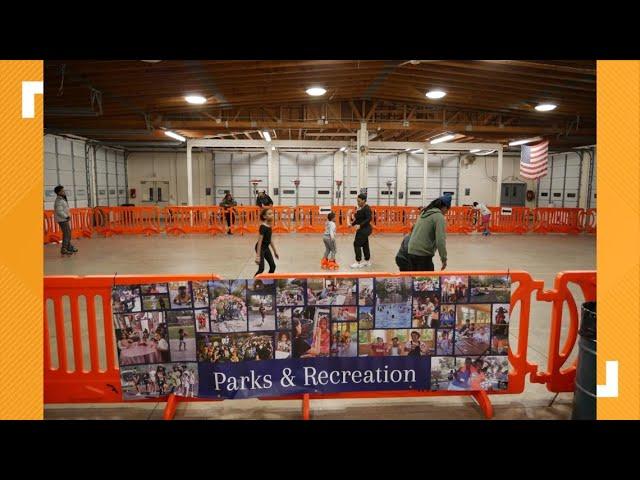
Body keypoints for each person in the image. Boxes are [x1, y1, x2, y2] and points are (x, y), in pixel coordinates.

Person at [407, 195, 451, 272]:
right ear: (444, 207)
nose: (446, 212)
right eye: (447, 210)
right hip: (423, 254)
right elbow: (440, 240)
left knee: (415, 279)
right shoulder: (438, 216)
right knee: (427, 280)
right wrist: (444, 259)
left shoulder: (424, 212)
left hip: (411, 251)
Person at [350, 193, 372, 269]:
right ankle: (367, 261)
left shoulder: (367, 208)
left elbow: (368, 219)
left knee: (356, 244)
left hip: (365, 229)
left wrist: (360, 225)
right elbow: (358, 220)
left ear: (364, 200)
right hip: (362, 229)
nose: (358, 203)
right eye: (357, 201)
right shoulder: (360, 209)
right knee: (365, 244)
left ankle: (358, 262)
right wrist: (351, 224)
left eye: (359, 201)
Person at [254, 208, 279, 276]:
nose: (272, 215)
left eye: (272, 213)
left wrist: (275, 251)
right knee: (261, 269)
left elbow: (270, 239)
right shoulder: (263, 227)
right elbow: (259, 242)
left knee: (273, 266)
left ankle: (268, 280)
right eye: (269, 214)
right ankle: (254, 280)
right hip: (260, 248)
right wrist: (258, 256)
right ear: (264, 216)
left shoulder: (269, 225)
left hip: (266, 248)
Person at [53, 185, 78, 256]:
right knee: (67, 234)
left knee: (68, 234)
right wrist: (66, 217)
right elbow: (59, 211)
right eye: (62, 191)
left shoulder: (62, 199)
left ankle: (69, 247)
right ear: (59, 192)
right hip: (62, 220)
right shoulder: (59, 200)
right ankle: (64, 249)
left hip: (63, 219)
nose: (64, 192)